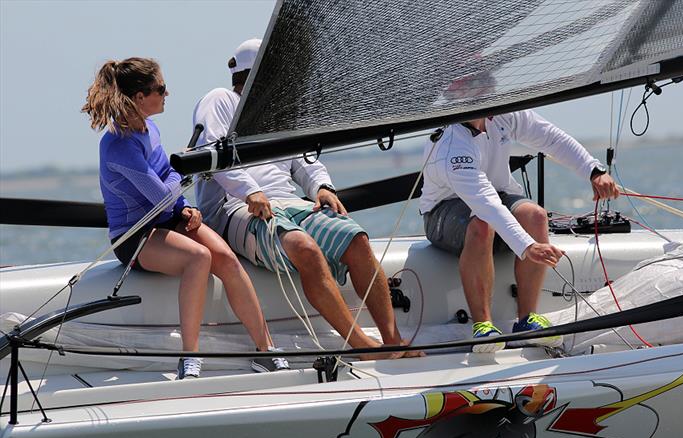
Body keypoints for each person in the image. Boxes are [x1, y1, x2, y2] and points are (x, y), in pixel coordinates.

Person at [193, 39, 421, 361]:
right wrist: (250, 191)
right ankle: (362, 346)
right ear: (256, 74)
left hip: (289, 201)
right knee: (305, 248)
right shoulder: (220, 100)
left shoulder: (281, 112)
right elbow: (212, 154)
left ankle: (393, 340)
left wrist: (322, 187)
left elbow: (305, 162)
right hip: (237, 207)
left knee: (356, 240)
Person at [83, 57, 276, 379]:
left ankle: (265, 350)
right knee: (199, 257)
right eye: (160, 88)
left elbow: (167, 181)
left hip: (167, 216)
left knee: (226, 259)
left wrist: (185, 204)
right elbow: (160, 194)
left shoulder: (149, 128)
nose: (167, 93)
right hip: (135, 236)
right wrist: (181, 175)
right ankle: (189, 356)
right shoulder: (118, 145)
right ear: (140, 96)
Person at [420, 112, 620, 352]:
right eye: (474, 83)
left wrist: (594, 171)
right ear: (456, 92)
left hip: (497, 196)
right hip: (442, 210)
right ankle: (483, 326)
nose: (484, 87)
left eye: (486, 80)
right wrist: (527, 246)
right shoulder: (452, 145)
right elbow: (486, 204)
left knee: (536, 216)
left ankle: (527, 322)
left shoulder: (504, 113)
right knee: (482, 224)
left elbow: (550, 137)